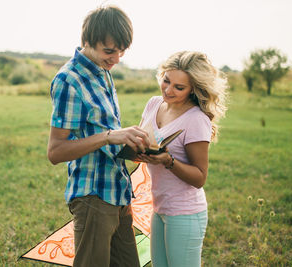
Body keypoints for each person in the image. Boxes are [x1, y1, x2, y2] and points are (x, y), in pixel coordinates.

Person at [47, 5, 150, 267]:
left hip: (118, 192)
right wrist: (109, 136)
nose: (116, 58)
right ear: (87, 41)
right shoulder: (69, 80)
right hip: (93, 197)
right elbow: (56, 152)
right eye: (109, 51)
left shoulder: (103, 72)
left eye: (121, 51)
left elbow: (106, 137)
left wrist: (134, 148)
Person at [136, 51, 228, 267]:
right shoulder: (153, 104)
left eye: (179, 87)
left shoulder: (195, 119)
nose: (168, 90)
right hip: (158, 208)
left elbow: (200, 178)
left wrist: (169, 162)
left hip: (185, 213)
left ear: (193, 89)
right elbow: (143, 147)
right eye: (166, 81)